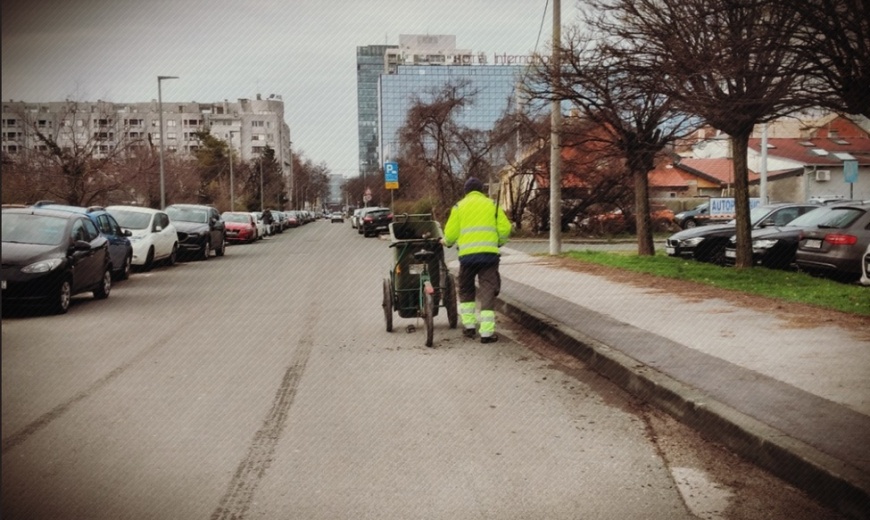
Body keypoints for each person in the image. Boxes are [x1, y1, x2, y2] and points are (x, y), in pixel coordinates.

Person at [441, 177, 511, 343]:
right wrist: (499, 242)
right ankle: (487, 334)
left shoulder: (459, 206)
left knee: (466, 289)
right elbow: (505, 228)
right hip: (489, 256)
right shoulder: (492, 205)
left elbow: (450, 234)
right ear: (482, 190)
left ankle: (470, 327)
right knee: (487, 290)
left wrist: (447, 242)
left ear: (466, 191)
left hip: (467, 257)